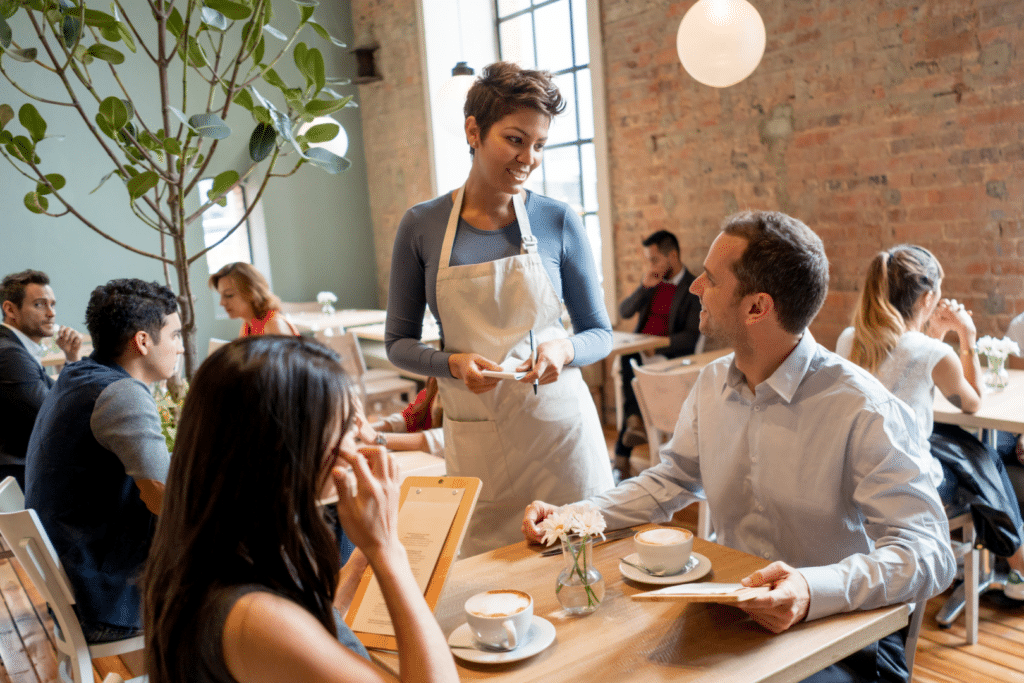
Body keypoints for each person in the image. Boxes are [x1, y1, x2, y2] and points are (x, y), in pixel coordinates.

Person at [522, 211, 955, 683]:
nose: (693, 287)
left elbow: (929, 552)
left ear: (756, 308)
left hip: (839, 638)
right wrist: (573, 518)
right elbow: (670, 480)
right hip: (730, 617)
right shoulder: (711, 384)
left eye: (709, 279)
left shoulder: (865, 408)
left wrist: (811, 589)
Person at [385, 61, 614, 555]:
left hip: (562, 444)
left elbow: (599, 332)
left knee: (581, 579)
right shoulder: (421, 226)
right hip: (478, 445)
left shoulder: (557, 220)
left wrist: (564, 350)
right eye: (515, 139)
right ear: (474, 130)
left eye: (539, 145)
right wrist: (451, 363)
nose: (528, 158)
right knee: (490, 588)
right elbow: (397, 344)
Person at [143, 336, 458, 683]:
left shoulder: (214, 550)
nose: (362, 437)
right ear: (288, 449)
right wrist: (387, 551)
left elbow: (309, 633)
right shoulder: (255, 619)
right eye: (347, 424)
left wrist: (357, 565)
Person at [835, 245, 1024, 600]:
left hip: (854, 476)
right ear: (928, 297)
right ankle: (1015, 556)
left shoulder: (850, 339)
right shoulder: (933, 352)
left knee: (963, 448)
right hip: (907, 486)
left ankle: (1010, 557)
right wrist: (966, 335)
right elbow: (973, 402)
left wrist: (932, 335)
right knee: (981, 459)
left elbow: (906, 379)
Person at [25, 278, 182, 643]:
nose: (180, 348)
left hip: (80, 582)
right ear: (142, 341)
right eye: (174, 336)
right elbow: (163, 497)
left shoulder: (79, 374)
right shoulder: (121, 393)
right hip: (108, 598)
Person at [614, 230, 701, 480]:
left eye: (654, 260)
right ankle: (633, 421)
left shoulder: (692, 288)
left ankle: (624, 449)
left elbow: (691, 336)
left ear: (672, 256)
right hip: (640, 354)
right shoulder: (652, 284)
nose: (650, 266)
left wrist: (658, 346)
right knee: (628, 358)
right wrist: (643, 287)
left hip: (668, 358)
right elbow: (625, 311)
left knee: (632, 365)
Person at [0, 269, 83, 487]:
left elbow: (57, 398)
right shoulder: (9, 354)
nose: (51, 313)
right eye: (39, 304)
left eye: (52, 304)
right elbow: (55, 415)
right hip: (17, 476)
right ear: (10, 309)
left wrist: (71, 358)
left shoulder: (18, 348)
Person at [209, 262, 298, 337]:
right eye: (221, 295)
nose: (222, 303)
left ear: (251, 292)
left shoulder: (273, 325)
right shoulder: (247, 326)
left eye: (229, 295)